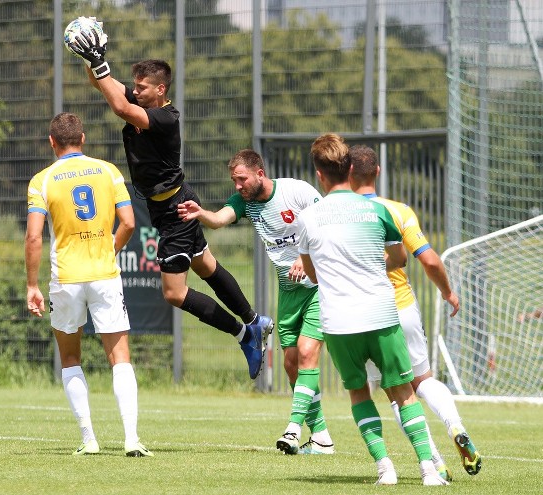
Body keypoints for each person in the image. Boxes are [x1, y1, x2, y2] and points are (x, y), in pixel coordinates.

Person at [67, 24, 274, 380]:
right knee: (207, 267)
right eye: (136, 86)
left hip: (174, 210)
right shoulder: (141, 98)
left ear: (160, 90)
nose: (136, 91)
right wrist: (91, 58)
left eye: (143, 87)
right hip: (174, 202)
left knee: (174, 293)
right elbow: (107, 86)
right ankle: (255, 321)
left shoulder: (165, 117)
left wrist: (100, 61)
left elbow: (119, 107)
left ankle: (244, 334)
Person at [298, 133, 447, 486]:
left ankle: (385, 469)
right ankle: (428, 470)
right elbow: (399, 259)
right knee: (403, 391)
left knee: (359, 391)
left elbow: (312, 272)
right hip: (381, 314)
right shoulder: (376, 210)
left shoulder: (308, 218)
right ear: (350, 169)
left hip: (338, 321)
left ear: (319, 174)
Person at [176, 149, 335, 455]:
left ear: (259, 173)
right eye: (234, 181)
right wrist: (201, 213)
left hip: (319, 286)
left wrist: (308, 259)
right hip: (288, 293)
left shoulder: (297, 191)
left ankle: (292, 429)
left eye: (241, 179)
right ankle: (322, 438)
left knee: (305, 353)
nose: (237, 186)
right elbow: (221, 219)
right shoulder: (246, 203)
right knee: (290, 364)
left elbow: (327, 226)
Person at [349, 144, 481, 478]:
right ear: (377, 172)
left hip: (366, 312)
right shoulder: (398, 210)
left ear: (347, 174)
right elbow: (430, 259)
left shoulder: (340, 212)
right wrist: (448, 293)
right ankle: (455, 426)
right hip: (403, 306)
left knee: (396, 392)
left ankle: (435, 460)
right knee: (423, 380)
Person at [25, 112, 151, 457]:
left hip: (66, 277)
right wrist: (108, 249)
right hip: (104, 274)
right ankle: (131, 438)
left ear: (52, 143)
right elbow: (127, 222)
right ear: (83, 139)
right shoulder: (108, 171)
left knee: (70, 357)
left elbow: (34, 237)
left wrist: (32, 285)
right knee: (120, 356)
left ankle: (89, 439)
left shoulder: (42, 180)